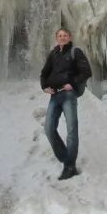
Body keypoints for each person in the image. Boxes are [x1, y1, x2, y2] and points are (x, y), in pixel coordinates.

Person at [40, 27, 92, 180]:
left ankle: (70, 167)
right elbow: (44, 73)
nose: (62, 38)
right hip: (55, 95)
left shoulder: (75, 52)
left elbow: (86, 71)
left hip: (68, 94)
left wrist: (73, 84)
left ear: (69, 37)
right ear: (57, 38)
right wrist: (44, 87)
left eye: (65, 35)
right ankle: (66, 159)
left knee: (71, 130)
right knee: (49, 128)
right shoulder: (53, 54)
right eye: (59, 35)